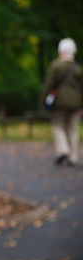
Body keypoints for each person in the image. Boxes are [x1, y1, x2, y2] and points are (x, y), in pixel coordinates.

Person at [42, 38, 83, 166]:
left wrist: (44, 100)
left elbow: (48, 85)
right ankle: (73, 157)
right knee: (73, 129)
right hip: (76, 104)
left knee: (58, 125)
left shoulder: (56, 66)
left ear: (61, 51)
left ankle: (63, 149)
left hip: (60, 103)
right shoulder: (77, 68)